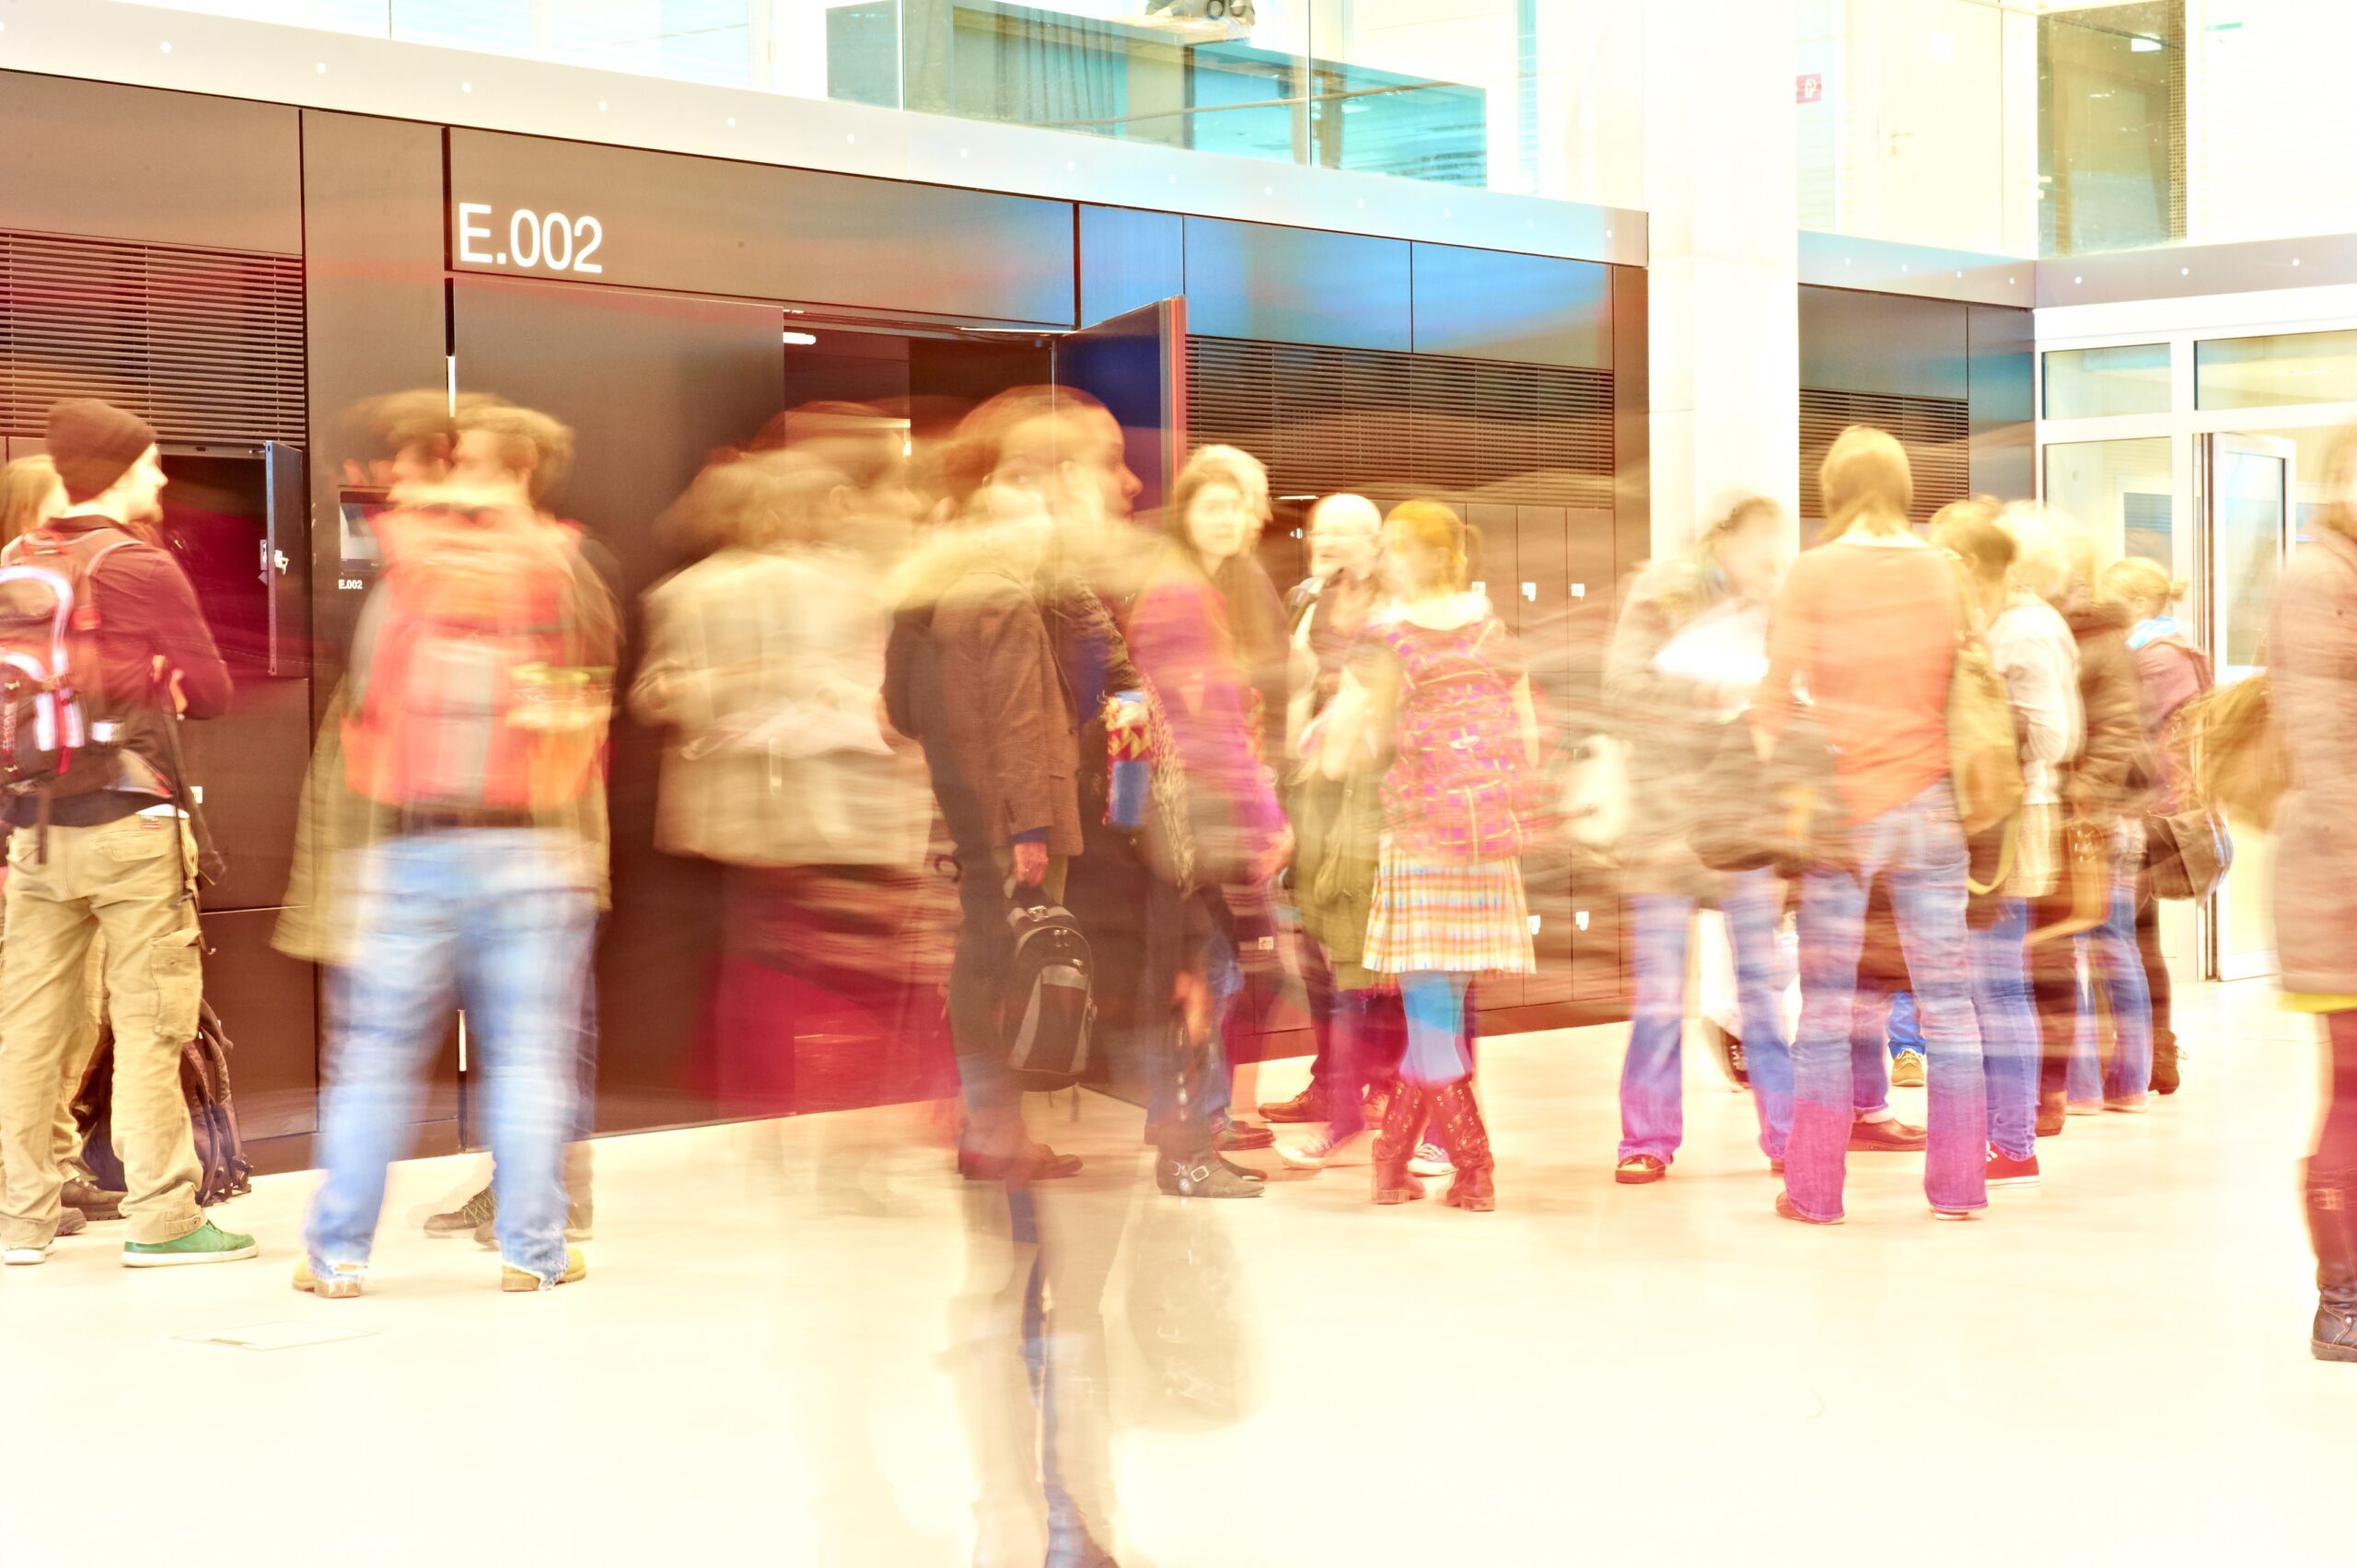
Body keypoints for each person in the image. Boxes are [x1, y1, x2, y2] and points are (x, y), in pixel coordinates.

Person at [296, 400, 616, 1295]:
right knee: (530, 1058)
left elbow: (361, 693)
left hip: (410, 847)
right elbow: (588, 703)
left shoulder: (404, 565)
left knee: (373, 1060)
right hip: (532, 851)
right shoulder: (567, 567)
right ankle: (533, 1253)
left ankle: (337, 1256)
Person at [0, 400, 250, 1267]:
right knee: (150, 1020)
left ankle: (20, 1220)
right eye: (151, 463)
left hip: (33, 830)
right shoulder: (140, 565)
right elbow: (212, 691)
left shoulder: (15, 560)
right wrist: (162, 682)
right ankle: (165, 1219)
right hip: (134, 824)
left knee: (29, 1026)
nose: (164, 477)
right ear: (116, 472)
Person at [1751, 426, 1987, 1225]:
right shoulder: (1943, 569)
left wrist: (1761, 766)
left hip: (1844, 810)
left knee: (1826, 1006)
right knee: (1949, 1003)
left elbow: (1776, 695)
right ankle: (1958, 1186)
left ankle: (1815, 1191)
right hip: (1932, 801)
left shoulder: (1813, 572)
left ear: (1834, 489)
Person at [1319, 501, 1539, 1211]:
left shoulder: (1385, 639)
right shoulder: (1492, 630)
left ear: (1405, 556)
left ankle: (1476, 1169)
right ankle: (1391, 1164)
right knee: (1438, 1015)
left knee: (1431, 1020)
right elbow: (1528, 736)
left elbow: (1335, 753)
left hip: (1416, 840)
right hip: (1482, 844)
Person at [1605, 494, 1797, 1183]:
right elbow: (1621, 687)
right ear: (1725, 540)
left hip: (1744, 823)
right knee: (1659, 994)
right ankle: (1646, 1140)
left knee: (1763, 989)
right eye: (1761, 549)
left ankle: (1786, 1136)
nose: (1770, 565)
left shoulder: (1775, 611)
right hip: (1667, 820)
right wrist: (1707, 697)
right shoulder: (1658, 593)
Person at [1125, 447, 1292, 1197]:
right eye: (1212, 505)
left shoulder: (1195, 586)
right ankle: (1186, 1149)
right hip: (1191, 820)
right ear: (1187, 510)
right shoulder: (1184, 595)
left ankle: (1185, 1135)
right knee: (1201, 982)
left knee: (1203, 977)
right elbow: (1210, 731)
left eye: (1238, 505)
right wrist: (1265, 818)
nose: (1228, 519)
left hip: (1185, 817)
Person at [1933, 501, 2080, 1188]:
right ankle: (2004, 1132)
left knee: (1997, 986)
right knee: (1987, 984)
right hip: (1988, 820)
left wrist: (1983, 713)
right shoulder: (1993, 624)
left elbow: (2055, 737)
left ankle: (2013, 1139)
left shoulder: (2023, 631)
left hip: (2011, 824)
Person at [1267, 493, 1411, 1168]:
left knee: (1366, 947)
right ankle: (1332, 1081)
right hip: (1307, 787)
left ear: (1375, 542)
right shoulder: (1304, 600)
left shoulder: (1395, 607)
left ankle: (1378, 1084)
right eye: (1320, 529)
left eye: (1344, 531)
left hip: (1367, 791)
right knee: (1312, 947)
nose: (1325, 540)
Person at [2263, 424, 2357, 1364]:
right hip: (2339, 887)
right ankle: (2341, 1297)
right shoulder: (2320, 579)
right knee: (2353, 1092)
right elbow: (2326, 751)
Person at [2013, 508, 2152, 1122]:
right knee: (2070, 949)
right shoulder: (2059, 633)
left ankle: (2125, 1080)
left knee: (2107, 945)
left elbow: (2118, 728)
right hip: (2069, 810)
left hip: (2092, 816)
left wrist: (2084, 797)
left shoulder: (2094, 639)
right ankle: (2086, 1085)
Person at [2101, 556, 2212, 1096]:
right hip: (2161, 804)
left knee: (2133, 941)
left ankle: (2146, 1058)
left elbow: (2124, 725)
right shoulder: (2174, 650)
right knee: (2140, 939)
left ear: (2139, 605)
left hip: (2148, 808)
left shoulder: (2155, 659)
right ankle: (2151, 1056)